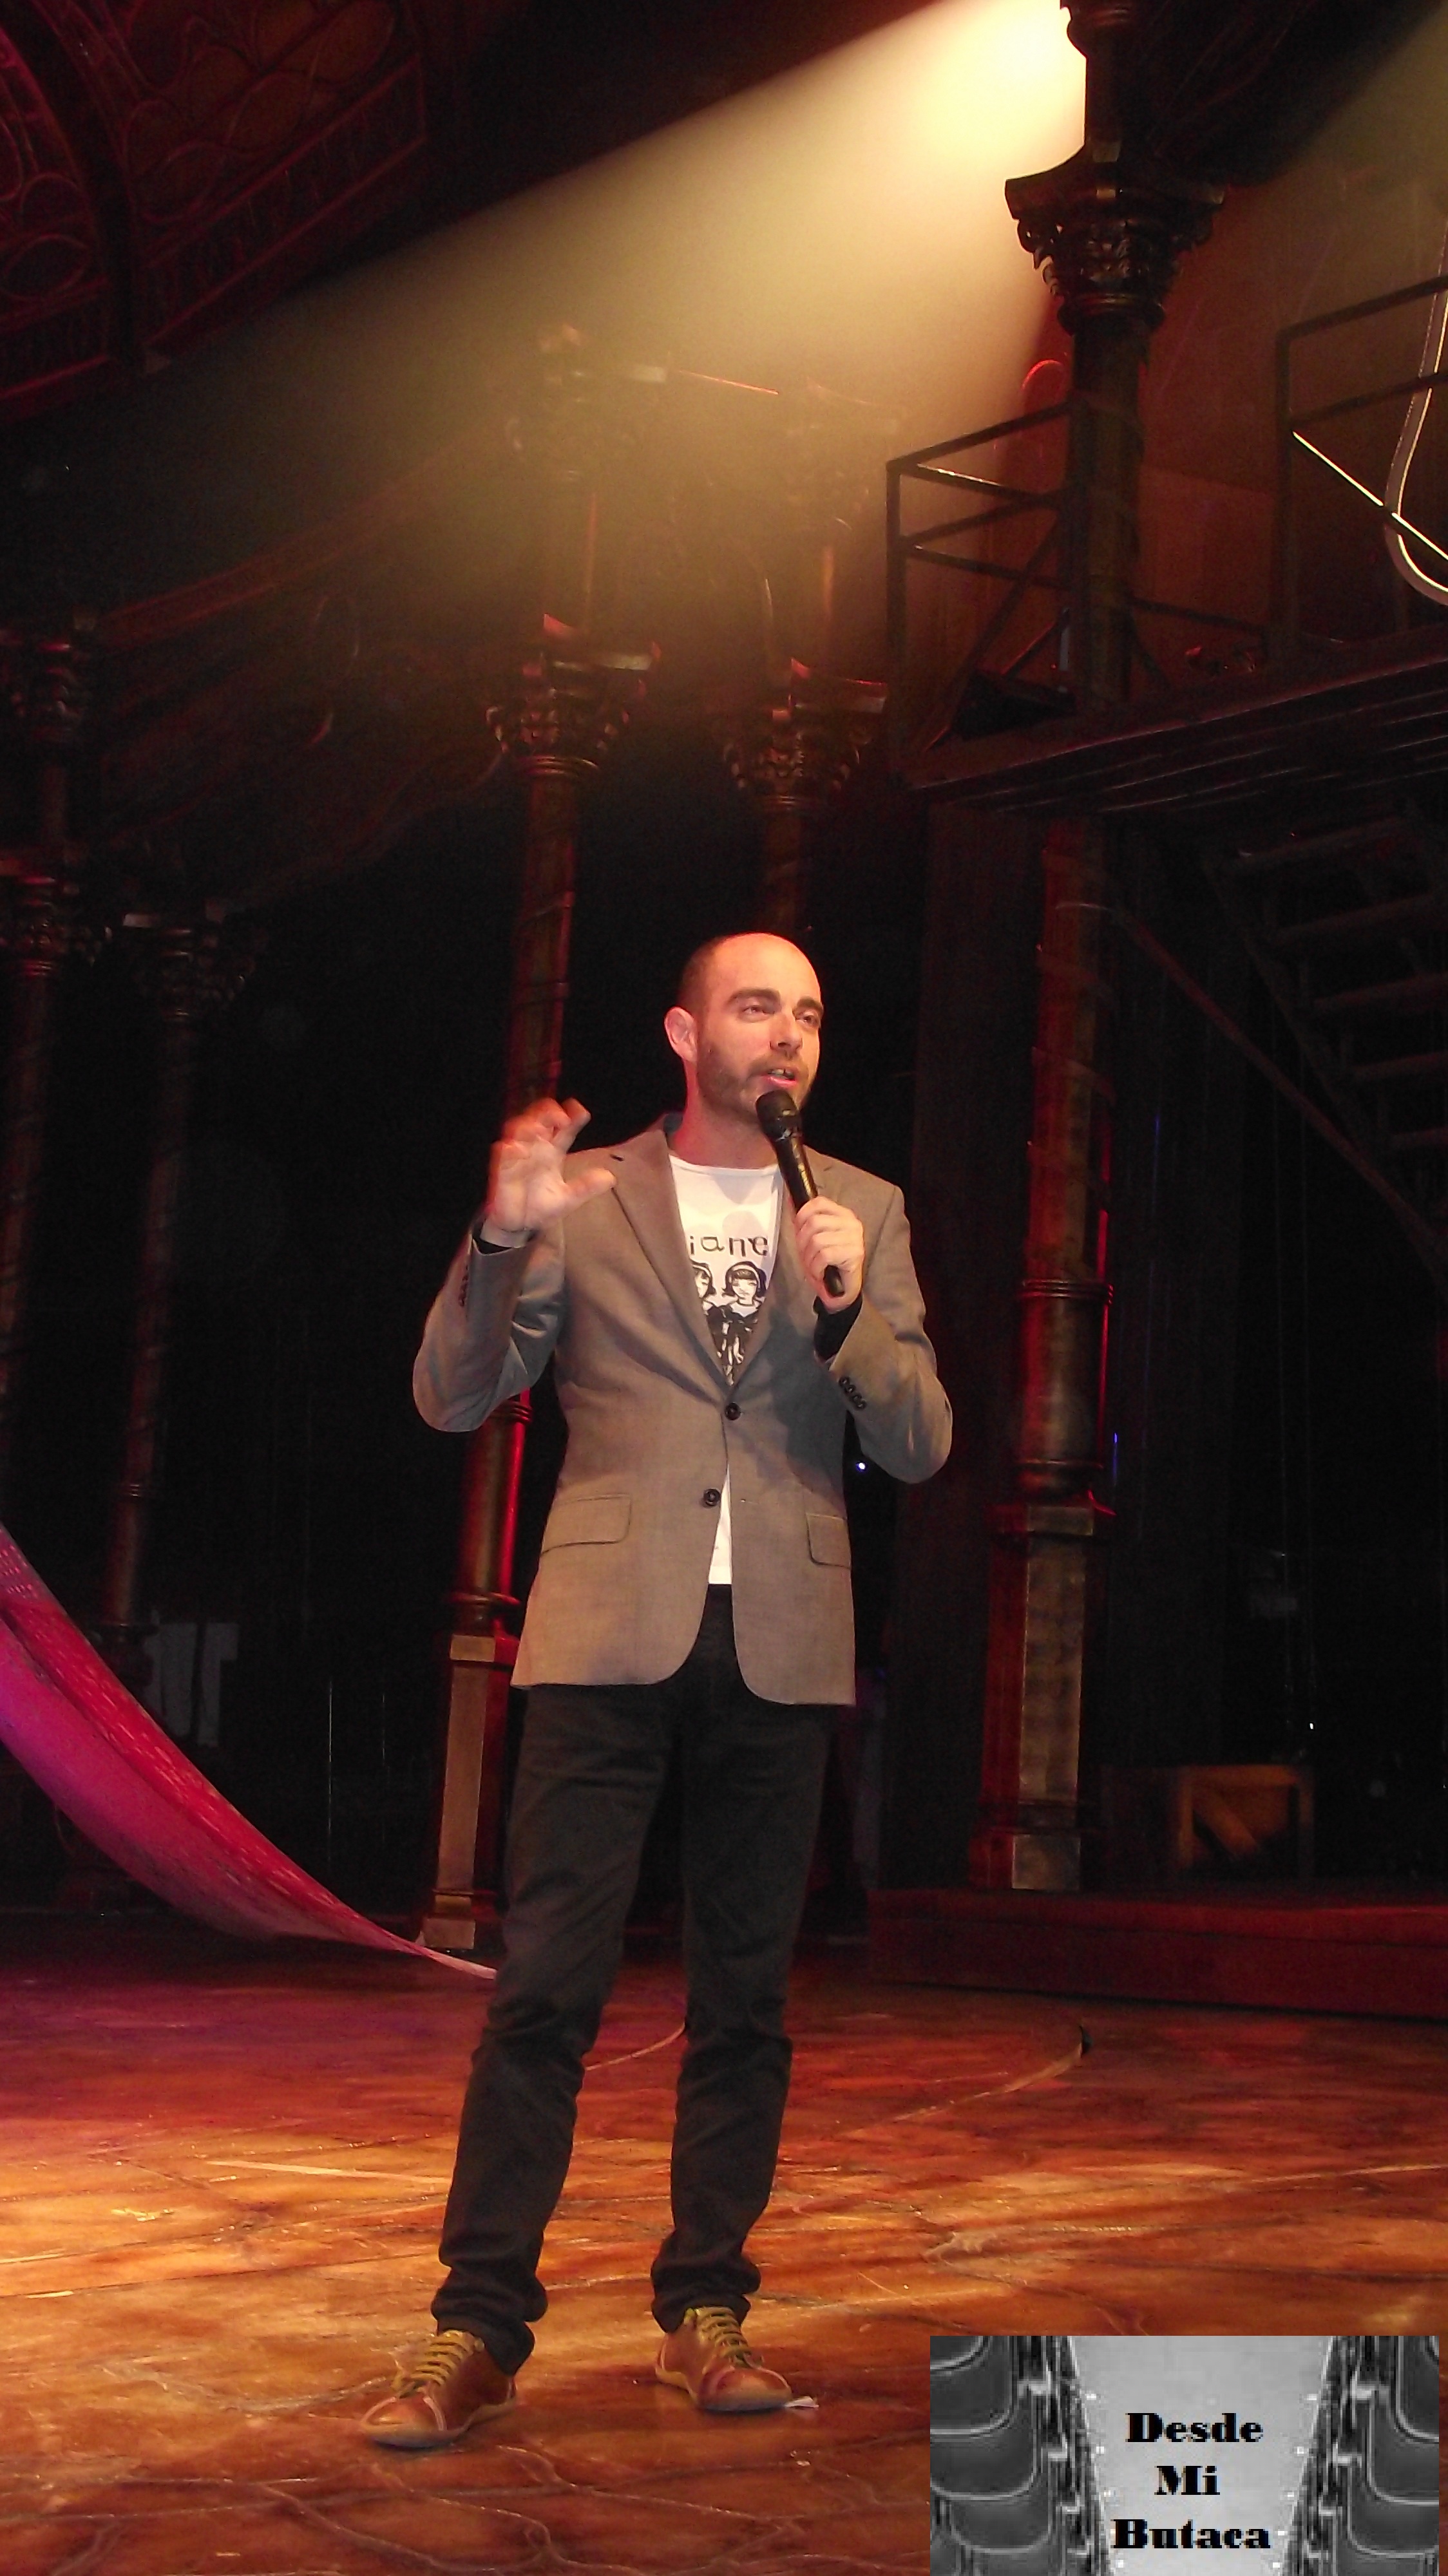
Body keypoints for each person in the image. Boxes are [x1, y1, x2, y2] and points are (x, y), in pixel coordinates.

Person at [363, 929, 951, 2448]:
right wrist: (497, 1239)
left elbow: (922, 1439)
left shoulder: (863, 1207)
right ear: (685, 1033)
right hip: (607, 1632)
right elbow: (452, 1392)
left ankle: (706, 2309)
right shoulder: (588, 1194)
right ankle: (476, 2326)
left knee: (744, 2000)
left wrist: (846, 1310)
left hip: (783, 1637)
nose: (788, 1034)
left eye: (808, 1010)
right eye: (756, 1006)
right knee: (545, 1992)